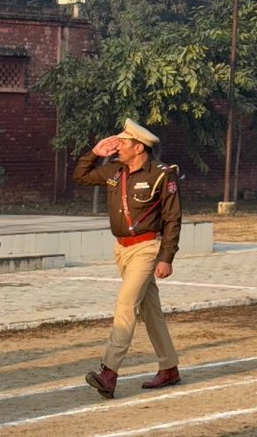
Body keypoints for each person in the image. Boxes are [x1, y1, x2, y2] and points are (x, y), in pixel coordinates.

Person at [75, 119, 183, 399]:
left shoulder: (162, 174)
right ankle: (169, 367)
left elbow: (172, 218)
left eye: (123, 142)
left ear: (139, 147)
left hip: (146, 248)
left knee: (126, 305)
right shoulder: (114, 170)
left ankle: (109, 372)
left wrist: (167, 257)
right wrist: (95, 152)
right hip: (121, 249)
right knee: (150, 310)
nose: (118, 146)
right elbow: (81, 176)